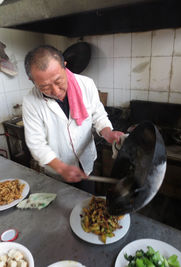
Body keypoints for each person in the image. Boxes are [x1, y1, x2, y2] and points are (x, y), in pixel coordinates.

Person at [22, 45, 124, 186]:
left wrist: (108, 133)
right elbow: (36, 143)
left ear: (64, 66)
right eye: (45, 87)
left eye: (59, 81)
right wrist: (61, 167)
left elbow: (98, 115)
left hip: (86, 163)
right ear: (32, 80)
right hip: (56, 173)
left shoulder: (86, 84)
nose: (56, 91)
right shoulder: (30, 101)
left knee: (88, 203)